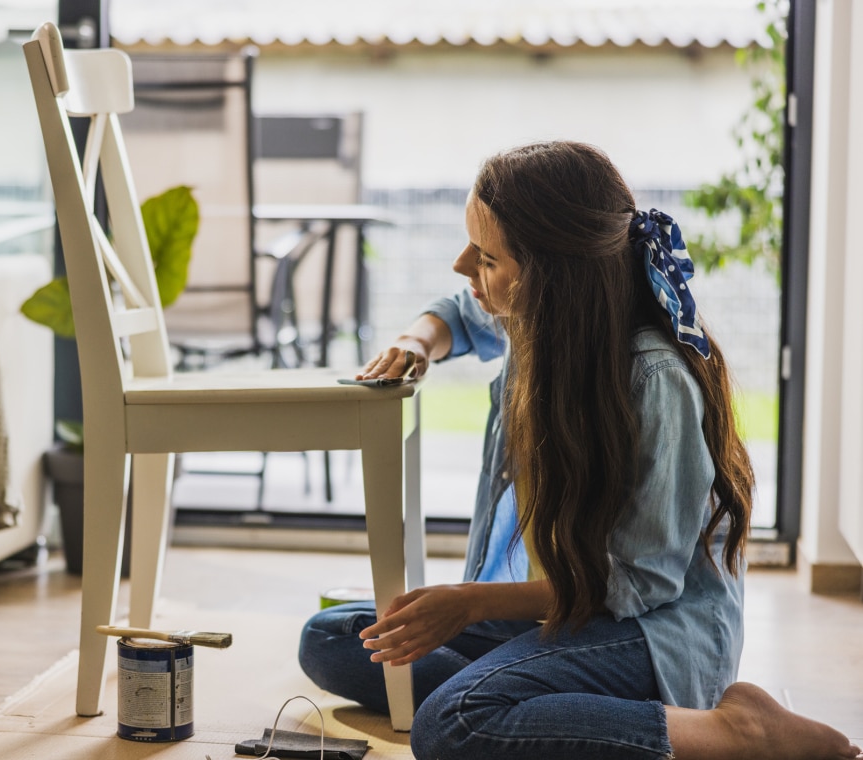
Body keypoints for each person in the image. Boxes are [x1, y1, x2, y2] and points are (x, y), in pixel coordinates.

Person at [298, 141, 862, 760]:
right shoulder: (540, 317)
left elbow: (638, 585)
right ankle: (560, 713)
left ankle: (737, 729)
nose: (463, 265)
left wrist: (470, 604)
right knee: (331, 638)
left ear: (550, 278)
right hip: (565, 614)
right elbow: (459, 314)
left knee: (452, 724)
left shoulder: (655, 380)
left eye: (485, 257)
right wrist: (415, 342)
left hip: (648, 632)